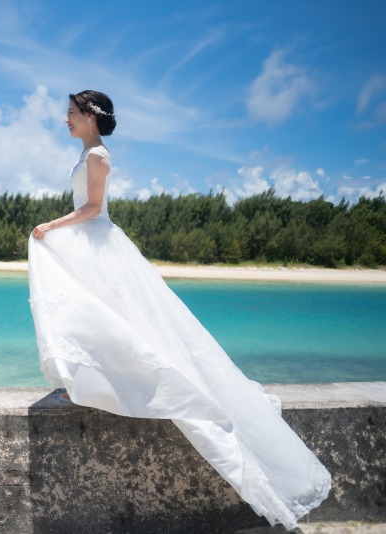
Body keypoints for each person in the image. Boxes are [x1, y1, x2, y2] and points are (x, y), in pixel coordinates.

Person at [28, 90, 330, 530]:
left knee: (117, 320)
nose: (65, 119)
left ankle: (101, 381)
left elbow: (93, 208)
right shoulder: (88, 153)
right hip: (92, 241)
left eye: (71, 113)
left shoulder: (98, 157)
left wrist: (51, 225)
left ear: (91, 117)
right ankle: (86, 379)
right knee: (91, 315)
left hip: (98, 240)